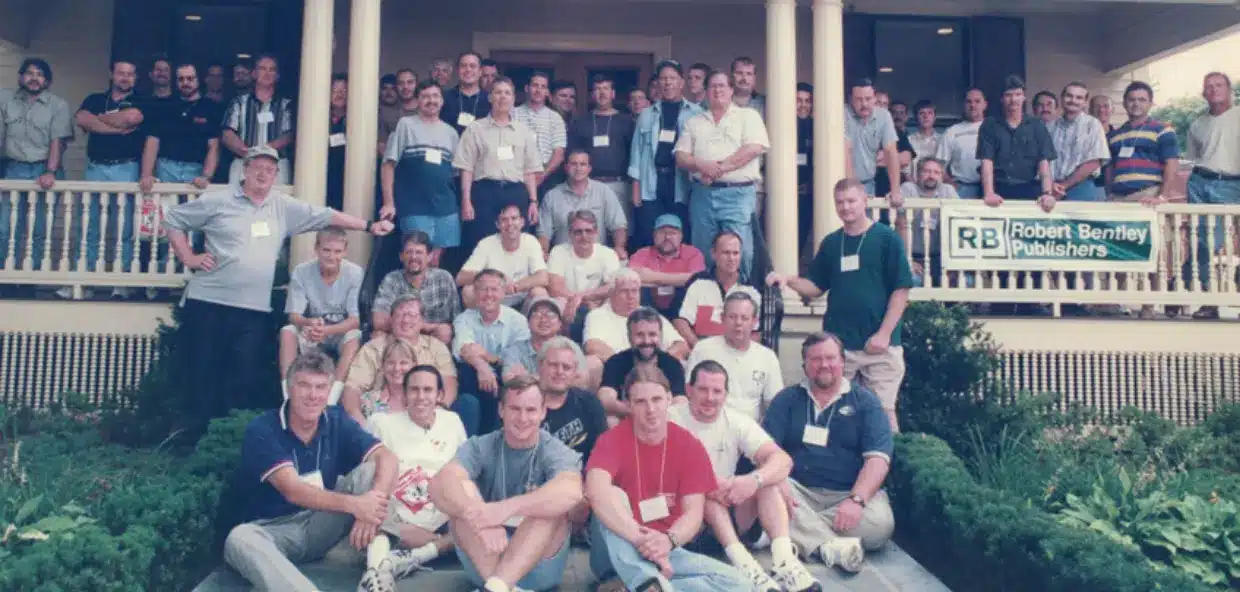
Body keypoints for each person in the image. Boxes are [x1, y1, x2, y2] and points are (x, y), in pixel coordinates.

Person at [163, 146, 393, 433]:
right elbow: (173, 218)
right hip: (209, 301)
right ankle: (194, 441)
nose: (263, 174)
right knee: (202, 373)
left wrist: (369, 226)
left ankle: (230, 439)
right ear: (244, 170)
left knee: (242, 377)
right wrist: (188, 257)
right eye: (257, 167)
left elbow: (324, 216)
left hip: (253, 310)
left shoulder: (282, 206)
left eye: (270, 170)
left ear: (275, 175)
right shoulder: (217, 200)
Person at [223, 352, 400, 591]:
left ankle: (377, 574)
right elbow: (293, 490)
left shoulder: (336, 420)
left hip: (322, 522)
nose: (312, 395)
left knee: (372, 472)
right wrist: (357, 506)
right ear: (289, 388)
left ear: (329, 391)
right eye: (304, 385)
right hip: (276, 531)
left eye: (320, 387)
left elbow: (387, 457)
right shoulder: (263, 429)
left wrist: (371, 505)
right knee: (240, 539)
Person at [585, 365, 749, 591]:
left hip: (666, 549)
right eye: (641, 402)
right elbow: (596, 493)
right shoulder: (611, 440)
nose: (650, 409)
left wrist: (668, 541)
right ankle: (645, 581)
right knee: (612, 494)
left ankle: (643, 586)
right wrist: (640, 540)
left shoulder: (688, 445)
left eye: (657, 399)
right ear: (629, 405)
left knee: (739, 583)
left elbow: (694, 514)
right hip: (618, 548)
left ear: (670, 399)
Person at [767, 178, 913, 431]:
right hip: (839, 350)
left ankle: (889, 469)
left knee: (882, 416)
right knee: (833, 414)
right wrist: (787, 279)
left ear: (865, 200)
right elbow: (814, 287)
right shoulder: (832, 243)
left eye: (851, 201)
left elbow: (901, 291)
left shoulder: (887, 238)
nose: (846, 207)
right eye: (840, 202)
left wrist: (884, 334)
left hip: (879, 347)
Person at [671, 361, 820, 592]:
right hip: (686, 522)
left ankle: (785, 563)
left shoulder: (736, 420)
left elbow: (782, 459)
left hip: (729, 514)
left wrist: (753, 481)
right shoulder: (672, 420)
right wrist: (711, 485)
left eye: (717, 391)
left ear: (726, 394)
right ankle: (744, 565)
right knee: (703, 496)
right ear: (689, 390)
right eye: (703, 389)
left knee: (767, 482)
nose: (710, 397)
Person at [429, 375, 584, 592]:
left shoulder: (554, 450)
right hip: (487, 559)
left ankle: (497, 586)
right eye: (514, 409)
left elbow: (571, 491)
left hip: (539, 565)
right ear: (501, 410)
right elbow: (439, 485)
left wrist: (503, 510)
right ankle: (500, 586)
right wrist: (481, 517)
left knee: (551, 508)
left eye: (530, 410)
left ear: (543, 412)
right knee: (460, 496)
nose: (522, 418)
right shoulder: (481, 446)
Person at [763, 333, 895, 574]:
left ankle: (793, 532)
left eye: (830, 358)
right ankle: (829, 546)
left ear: (843, 362)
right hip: (798, 491)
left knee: (880, 525)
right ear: (804, 366)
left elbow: (877, 459)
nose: (824, 365)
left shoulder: (866, 402)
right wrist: (779, 480)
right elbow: (766, 450)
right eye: (815, 359)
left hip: (848, 492)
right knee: (770, 491)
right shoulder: (786, 400)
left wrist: (856, 501)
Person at [358, 364, 469, 591]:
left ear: (439, 395)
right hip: (398, 523)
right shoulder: (382, 423)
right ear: (404, 393)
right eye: (414, 390)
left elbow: (465, 470)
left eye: (428, 390)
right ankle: (387, 569)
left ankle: (412, 557)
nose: (421, 397)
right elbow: (366, 476)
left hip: (443, 520)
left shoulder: (452, 422)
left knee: (471, 526)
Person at [342, 294, 479, 435]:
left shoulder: (436, 347)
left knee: (468, 404)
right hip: (384, 413)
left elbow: (449, 383)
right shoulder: (373, 348)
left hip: (430, 409)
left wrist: (438, 410)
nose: (406, 320)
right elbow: (353, 388)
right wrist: (360, 421)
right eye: (400, 315)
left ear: (422, 321)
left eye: (412, 315)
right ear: (391, 319)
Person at [278, 228, 363, 392]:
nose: (332, 256)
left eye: (338, 251)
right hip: (312, 329)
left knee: (355, 336)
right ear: (316, 249)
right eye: (326, 250)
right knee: (287, 331)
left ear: (345, 252)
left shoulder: (355, 273)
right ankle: (288, 393)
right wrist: (309, 322)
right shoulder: (301, 271)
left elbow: (355, 320)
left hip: (340, 331)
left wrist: (327, 330)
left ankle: (333, 396)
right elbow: (294, 315)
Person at [453, 269, 533, 433]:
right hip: (474, 377)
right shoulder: (464, 319)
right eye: (483, 289)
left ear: (503, 293)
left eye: (494, 289)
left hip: (506, 376)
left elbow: (518, 357)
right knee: (468, 373)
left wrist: (488, 357)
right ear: (475, 293)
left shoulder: (517, 321)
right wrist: (482, 366)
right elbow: (463, 349)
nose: (489, 294)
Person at [684, 292, 782, 422]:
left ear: (755, 322)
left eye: (744, 318)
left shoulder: (767, 357)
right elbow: (689, 394)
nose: (738, 323)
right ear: (722, 318)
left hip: (750, 432)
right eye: (732, 317)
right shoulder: (703, 349)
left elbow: (774, 405)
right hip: (708, 426)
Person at [597, 307, 688, 425]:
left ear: (660, 336)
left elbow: (680, 403)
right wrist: (638, 412)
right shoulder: (616, 362)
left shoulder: (671, 364)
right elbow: (604, 399)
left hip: (661, 421)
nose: (647, 341)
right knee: (611, 421)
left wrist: (651, 413)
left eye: (652, 334)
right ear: (629, 337)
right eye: (640, 335)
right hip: (627, 419)